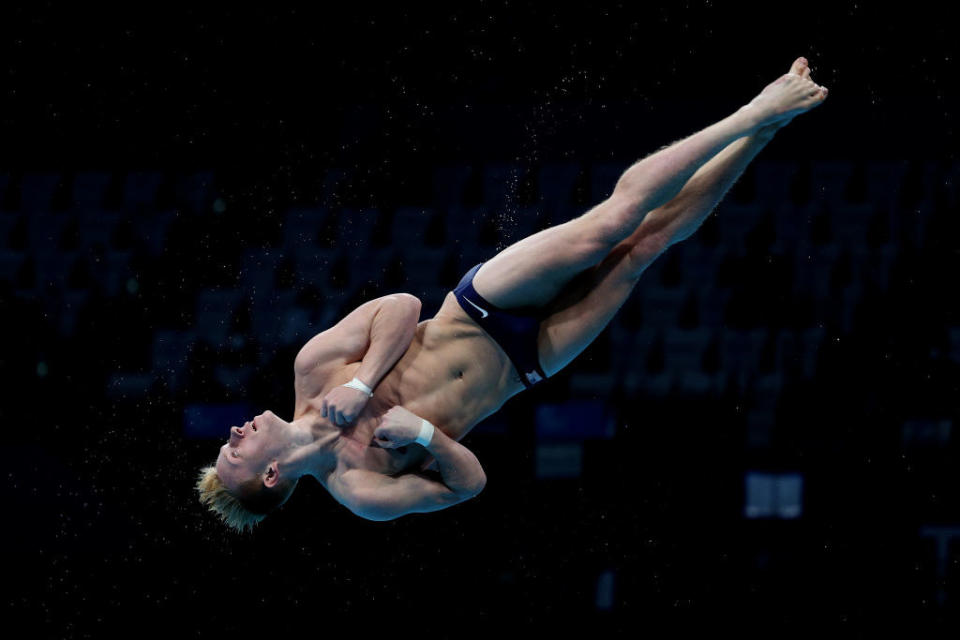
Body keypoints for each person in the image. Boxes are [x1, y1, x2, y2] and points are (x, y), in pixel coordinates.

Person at [197, 57, 828, 532]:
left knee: (607, 228)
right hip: (527, 364)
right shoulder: (361, 490)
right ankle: (767, 131)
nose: (234, 430)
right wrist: (427, 436)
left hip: (478, 308)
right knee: (643, 252)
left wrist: (361, 384)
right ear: (271, 475)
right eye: (235, 450)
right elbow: (467, 487)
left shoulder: (314, 368)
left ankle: (754, 109)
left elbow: (403, 306)